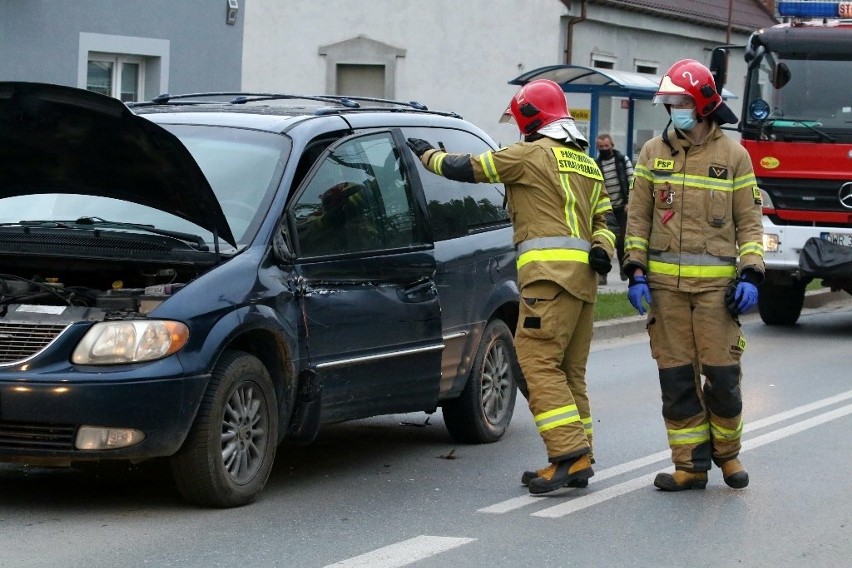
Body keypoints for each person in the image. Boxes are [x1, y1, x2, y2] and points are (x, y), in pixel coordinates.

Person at [406, 79, 615, 494]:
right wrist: (602, 249)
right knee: (570, 372)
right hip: (584, 285)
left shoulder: (530, 155)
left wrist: (426, 155)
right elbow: (605, 221)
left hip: (548, 281)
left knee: (537, 363)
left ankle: (568, 456)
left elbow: (470, 168)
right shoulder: (586, 162)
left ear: (529, 119)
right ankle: (582, 453)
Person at [622, 59, 765, 491]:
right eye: (670, 102)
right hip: (665, 292)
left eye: (681, 101)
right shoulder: (652, 152)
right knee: (677, 380)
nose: (674, 109)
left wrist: (751, 274)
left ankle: (729, 456)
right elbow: (638, 218)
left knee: (723, 379)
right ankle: (689, 466)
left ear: (702, 103)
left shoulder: (734, 156)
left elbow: (750, 223)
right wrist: (636, 271)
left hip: (717, 293)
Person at [595, 133, 634, 284]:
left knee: (622, 242)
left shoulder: (622, 161)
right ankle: (602, 275)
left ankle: (624, 271)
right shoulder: (596, 164)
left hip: (623, 207)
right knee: (605, 241)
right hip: (606, 210)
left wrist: (629, 201)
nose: (604, 149)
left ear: (612, 145)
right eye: (601, 147)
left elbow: (632, 181)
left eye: (606, 146)